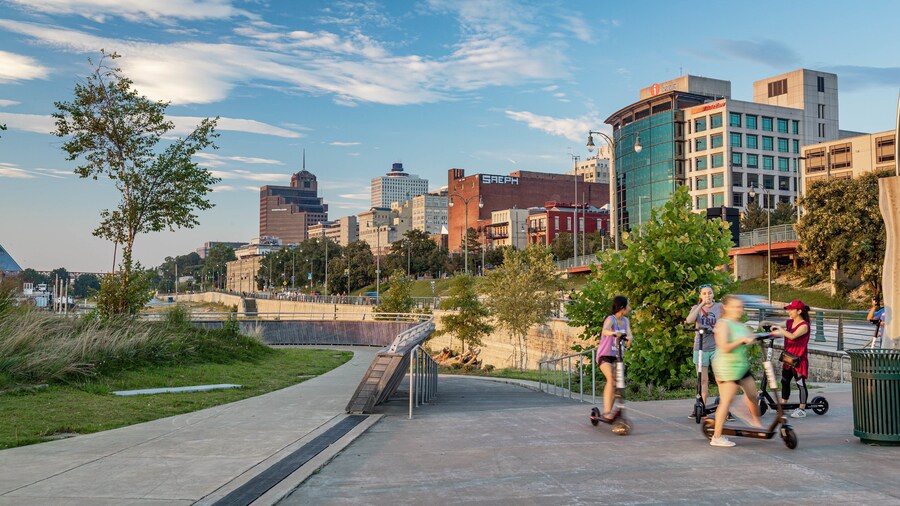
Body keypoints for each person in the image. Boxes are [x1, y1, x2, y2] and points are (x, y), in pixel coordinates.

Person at [709, 294, 762, 447]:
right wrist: (741, 340)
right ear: (726, 307)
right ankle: (716, 437)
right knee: (726, 401)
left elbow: (752, 336)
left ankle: (754, 420)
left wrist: (770, 331)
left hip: (741, 366)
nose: (739, 310)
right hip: (727, 368)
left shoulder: (739, 324)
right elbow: (724, 347)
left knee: (753, 395)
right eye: (735, 306)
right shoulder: (723, 324)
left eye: (740, 307)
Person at [685, 283, 724, 418]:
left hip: (716, 347)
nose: (708, 295)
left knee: (720, 379)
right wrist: (701, 305)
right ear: (700, 296)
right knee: (703, 380)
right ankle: (701, 407)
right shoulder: (696, 308)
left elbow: (727, 322)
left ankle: (724, 409)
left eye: (710, 293)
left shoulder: (719, 307)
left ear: (713, 294)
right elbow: (689, 320)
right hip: (701, 347)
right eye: (704, 293)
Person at [771, 299, 811, 418]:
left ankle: (802, 409)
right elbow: (779, 326)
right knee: (784, 381)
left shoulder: (804, 325)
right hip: (788, 357)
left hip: (798, 359)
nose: (789, 311)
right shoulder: (789, 322)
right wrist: (768, 324)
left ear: (799, 311)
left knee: (800, 383)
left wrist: (780, 329)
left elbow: (792, 336)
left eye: (791, 309)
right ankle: (783, 405)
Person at [596, 295, 634, 420]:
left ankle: (610, 411)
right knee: (611, 380)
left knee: (618, 383)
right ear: (622, 307)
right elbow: (605, 331)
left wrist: (629, 339)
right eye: (628, 305)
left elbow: (629, 335)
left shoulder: (625, 321)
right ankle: (607, 412)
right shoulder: (610, 319)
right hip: (605, 356)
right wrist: (614, 333)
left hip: (618, 356)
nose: (630, 307)